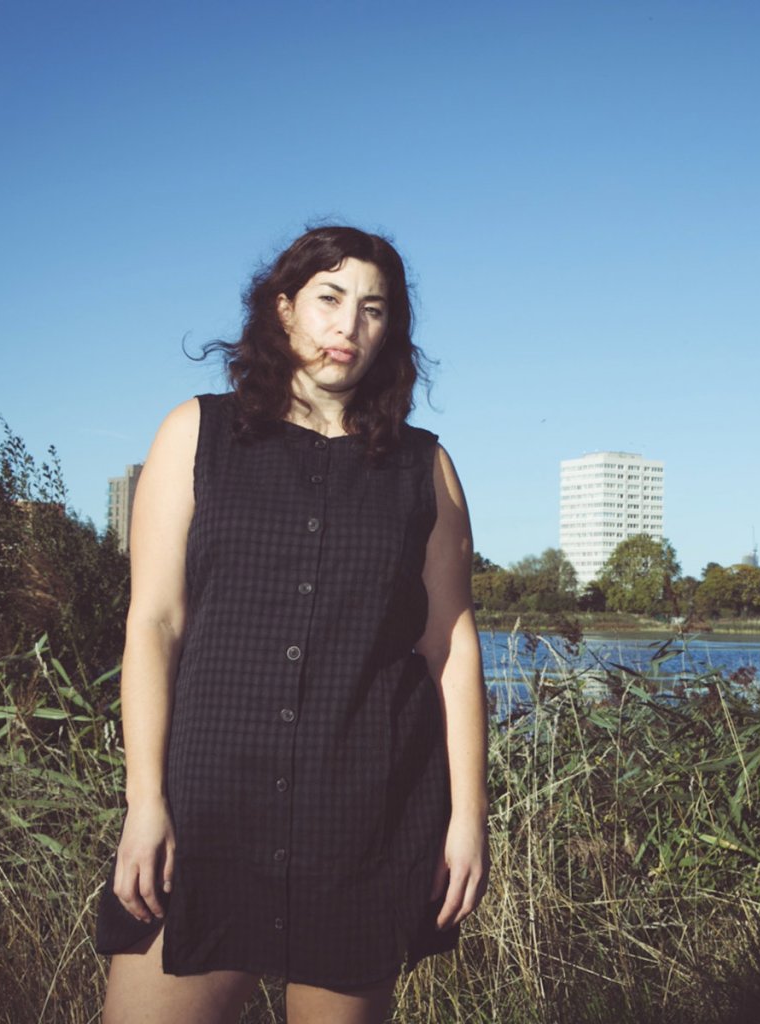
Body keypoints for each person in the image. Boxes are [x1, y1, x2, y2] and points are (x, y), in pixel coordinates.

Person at [97, 225, 489, 1024]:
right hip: (208, 812)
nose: (349, 325)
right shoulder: (195, 434)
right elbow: (155, 625)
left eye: (373, 309)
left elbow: (450, 646)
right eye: (329, 298)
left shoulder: (425, 468)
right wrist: (145, 801)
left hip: (364, 821)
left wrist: (468, 819)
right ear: (283, 309)